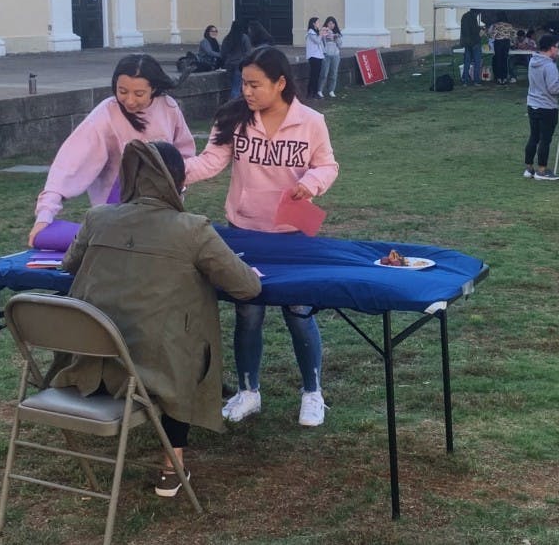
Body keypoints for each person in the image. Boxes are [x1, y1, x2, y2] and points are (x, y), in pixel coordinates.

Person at [52, 140, 261, 497]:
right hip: (153, 372)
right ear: (177, 181)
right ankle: (172, 462)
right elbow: (247, 287)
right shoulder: (192, 229)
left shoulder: (98, 217)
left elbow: (68, 264)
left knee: (166, 340)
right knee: (182, 346)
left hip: (89, 362)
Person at [185, 46, 339, 427]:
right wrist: (166, 169)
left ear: (280, 83)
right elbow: (209, 163)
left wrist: (311, 184)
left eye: (255, 84)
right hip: (245, 231)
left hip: (291, 234)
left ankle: (313, 393)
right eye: (244, 83)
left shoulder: (311, 122)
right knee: (247, 313)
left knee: (299, 312)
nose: (247, 91)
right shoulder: (235, 118)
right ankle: (248, 391)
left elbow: (327, 165)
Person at [27, 54, 195, 247]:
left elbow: (184, 155)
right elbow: (69, 164)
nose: (130, 101)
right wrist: (45, 215)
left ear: (154, 89)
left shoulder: (168, 106)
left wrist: (179, 187)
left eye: (139, 94)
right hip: (116, 211)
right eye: (122, 91)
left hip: (162, 210)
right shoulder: (105, 115)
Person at [523, 34, 559, 181]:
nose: (558, 50)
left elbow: (544, 82)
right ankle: (542, 170)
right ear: (551, 48)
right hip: (547, 107)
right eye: (557, 47)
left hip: (533, 104)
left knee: (534, 136)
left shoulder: (534, 60)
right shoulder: (550, 65)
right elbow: (553, 88)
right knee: (545, 139)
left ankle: (529, 168)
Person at [220, 19, 252, 99]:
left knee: (232, 87)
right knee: (237, 88)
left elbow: (223, 53)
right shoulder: (244, 38)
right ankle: (235, 106)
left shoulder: (227, 38)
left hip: (229, 64)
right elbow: (248, 52)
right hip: (239, 65)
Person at [318, 15, 342, 98]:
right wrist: (325, 34)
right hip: (326, 55)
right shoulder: (323, 32)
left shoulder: (337, 34)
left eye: (333, 23)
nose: (331, 25)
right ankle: (320, 90)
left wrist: (336, 38)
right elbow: (320, 42)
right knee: (324, 73)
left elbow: (340, 45)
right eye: (330, 23)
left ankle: (331, 90)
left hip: (335, 55)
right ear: (326, 24)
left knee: (333, 73)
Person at [488, 13, 515, 85]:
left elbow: (492, 35)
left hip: (498, 43)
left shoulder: (496, 25)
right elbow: (513, 35)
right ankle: (505, 78)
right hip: (506, 42)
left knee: (498, 60)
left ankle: (499, 78)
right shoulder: (509, 25)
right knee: (504, 60)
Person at [460, 9, 483, 86]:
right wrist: (480, 29)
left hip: (466, 42)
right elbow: (474, 31)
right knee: (477, 62)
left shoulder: (464, 16)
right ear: (476, 12)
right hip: (475, 42)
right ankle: (476, 80)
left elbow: (464, 30)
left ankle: (465, 80)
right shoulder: (472, 18)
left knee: (467, 62)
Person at [304, 16, 325, 99]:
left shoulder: (316, 32)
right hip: (313, 56)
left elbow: (321, 43)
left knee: (317, 75)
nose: (319, 24)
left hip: (319, 56)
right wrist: (320, 34)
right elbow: (317, 41)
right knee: (313, 75)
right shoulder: (311, 32)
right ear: (313, 23)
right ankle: (310, 92)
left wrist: (322, 34)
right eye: (318, 22)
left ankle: (314, 92)